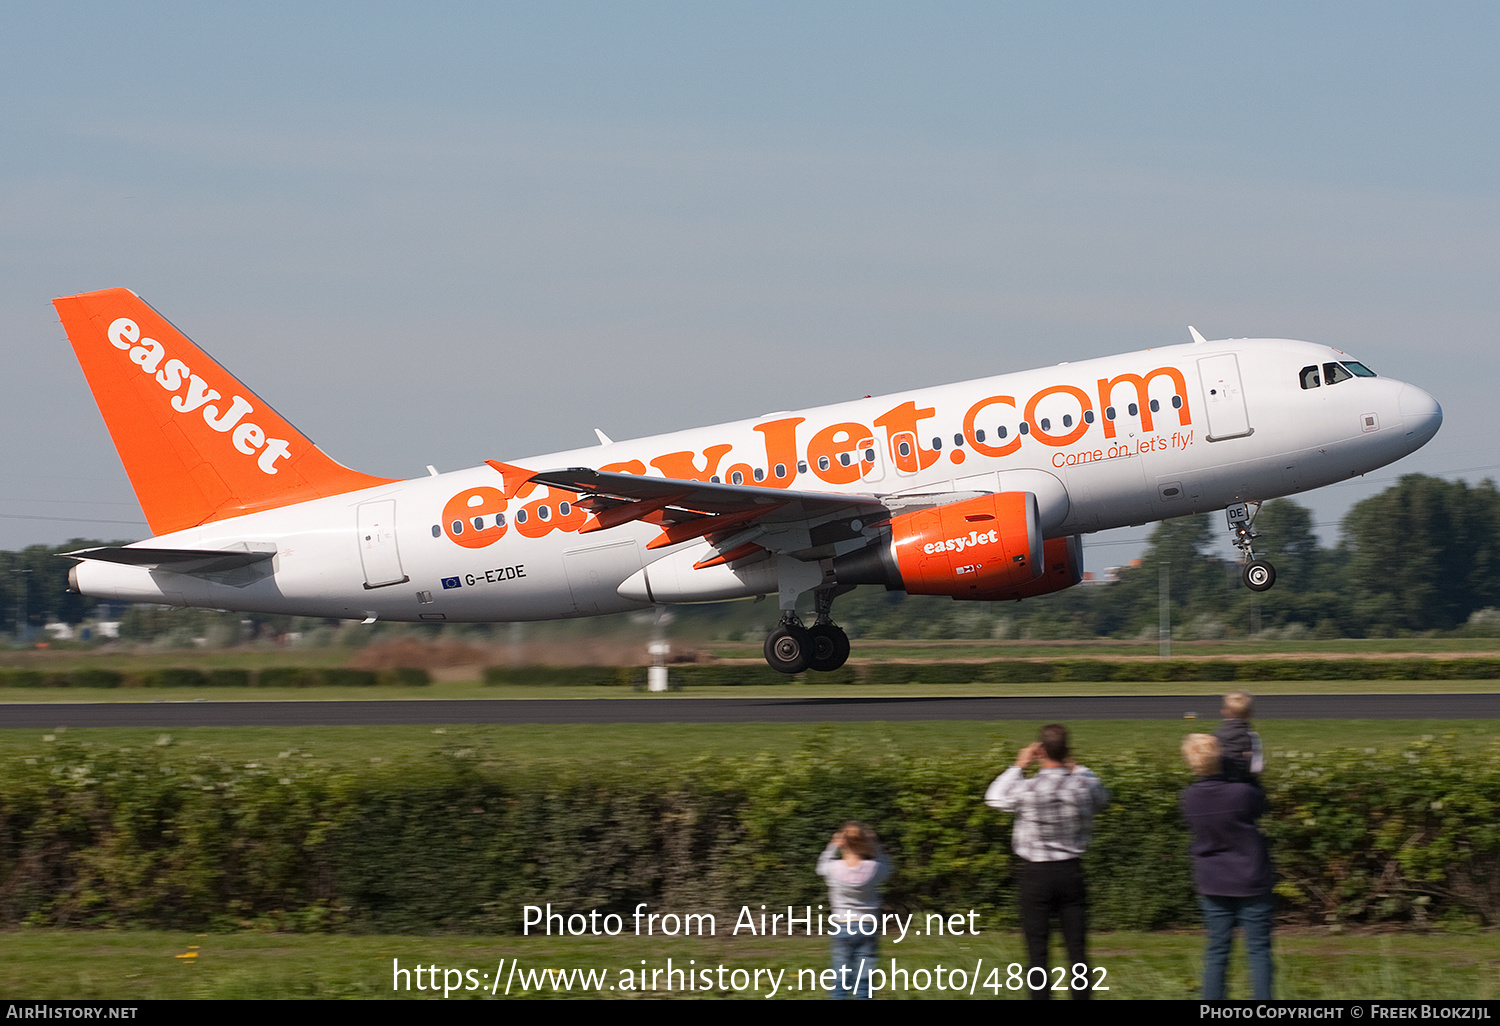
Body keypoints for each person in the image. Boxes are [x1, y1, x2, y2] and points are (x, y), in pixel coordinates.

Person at [985, 724, 1110, 1000]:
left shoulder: (1027, 789)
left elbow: (993, 796)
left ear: (1040, 751)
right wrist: (1076, 767)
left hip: (1036, 874)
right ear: (1067, 751)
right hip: (1070, 870)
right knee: (1077, 950)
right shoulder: (1081, 786)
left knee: (1037, 951)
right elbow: (1103, 795)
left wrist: (1019, 765)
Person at [1181, 733, 1275, 1000]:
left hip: (1212, 879)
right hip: (1250, 877)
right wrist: (1250, 774)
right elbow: (1261, 805)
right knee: (1258, 951)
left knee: (1217, 951)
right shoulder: (1241, 793)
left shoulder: (1190, 797)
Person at [816, 821, 892, 1000]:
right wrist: (876, 845)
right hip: (867, 926)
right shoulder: (874, 868)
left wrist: (832, 846)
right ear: (865, 842)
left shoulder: (833, 868)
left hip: (842, 926)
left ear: (842, 842)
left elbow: (820, 866)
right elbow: (888, 868)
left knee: (841, 977)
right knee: (864, 979)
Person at [1215, 690, 1265, 782]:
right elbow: (1256, 767)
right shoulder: (1251, 737)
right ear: (1250, 713)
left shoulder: (1215, 737)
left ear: (1223, 711)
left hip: (1219, 781)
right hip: (1243, 783)